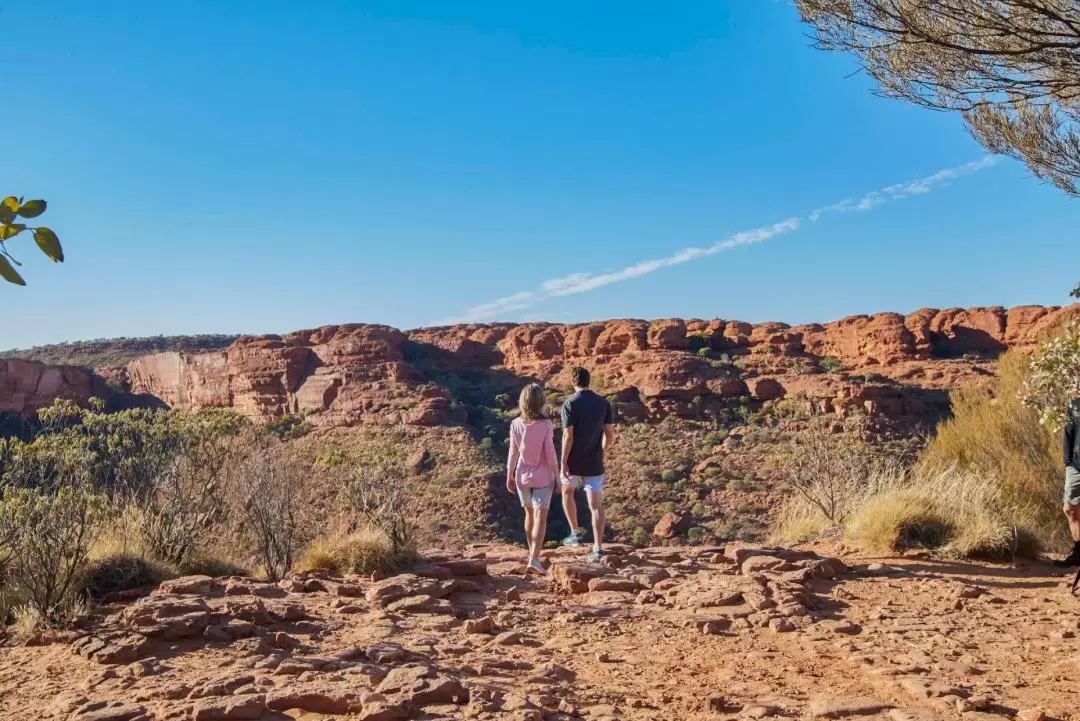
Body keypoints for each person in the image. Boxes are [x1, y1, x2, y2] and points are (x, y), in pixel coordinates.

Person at [559, 366, 615, 562]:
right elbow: (610, 434)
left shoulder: (569, 404)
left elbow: (568, 436)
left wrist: (563, 461)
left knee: (567, 492)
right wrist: (602, 450)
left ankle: (574, 533)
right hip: (594, 462)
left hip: (573, 461)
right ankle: (598, 547)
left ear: (573, 382)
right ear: (588, 380)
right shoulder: (603, 403)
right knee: (596, 504)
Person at [506, 383, 558, 575]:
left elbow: (513, 452)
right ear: (540, 402)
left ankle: (532, 555)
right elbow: (550, 452)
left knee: (529, 515)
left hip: (522, 476)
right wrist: (558, 476)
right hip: (543, 476)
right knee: (540, 517)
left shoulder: (515, 424)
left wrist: (509, 475)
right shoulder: (546, 424)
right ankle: (534, 559)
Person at [1055, 396, 1080, 569]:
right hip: (1076, 466)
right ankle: (1078, 552)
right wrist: (1068, 462)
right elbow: (1068, 433)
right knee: (1070, 509)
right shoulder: (1075, 405)